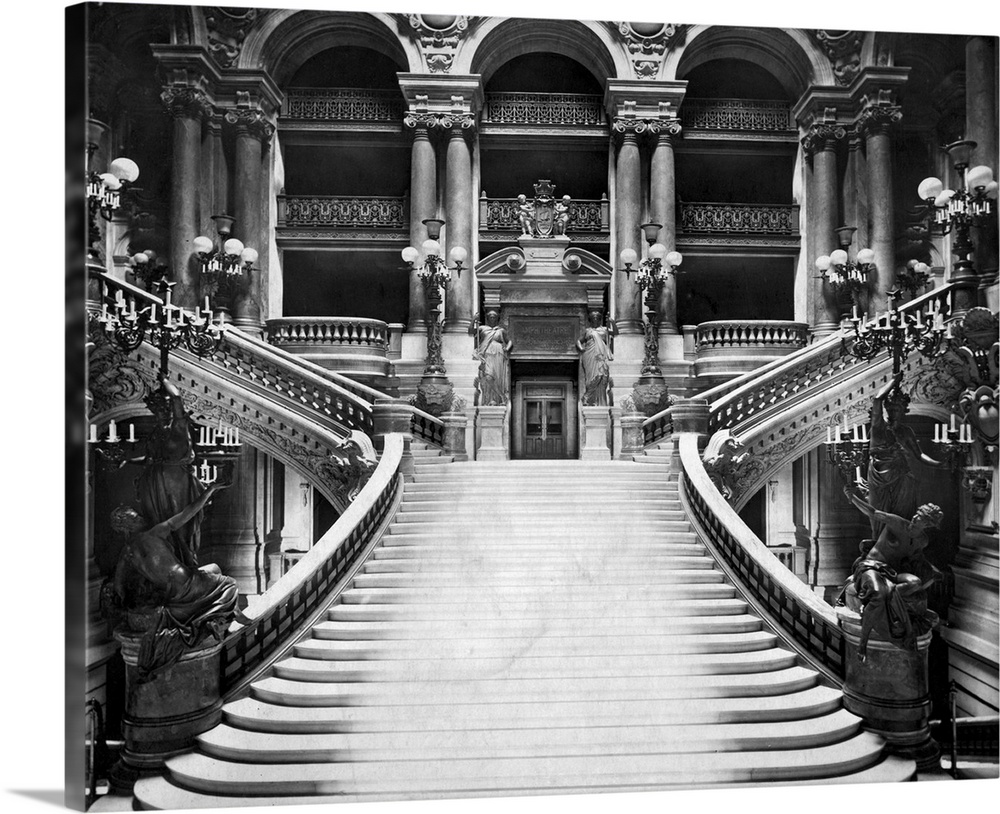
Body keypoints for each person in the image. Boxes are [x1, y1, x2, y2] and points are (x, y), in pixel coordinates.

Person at [103, 481, 240, 681]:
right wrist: (209, 490)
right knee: (229, 583)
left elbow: (119, 585)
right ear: (126, 525)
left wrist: (128, 606)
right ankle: (214, 620)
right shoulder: (155, 532)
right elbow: (187, 513)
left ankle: (210, 617)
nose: (140, 517)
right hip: (188, 585)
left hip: (173, 594)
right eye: (135, 517)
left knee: (213, 570)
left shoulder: (128, 553)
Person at [842, 485, 943, 660]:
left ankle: (890, 595)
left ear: (927, 524)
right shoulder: (898, 523)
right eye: (916, 513)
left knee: (915, 583)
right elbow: (873, 512)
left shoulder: (922, 540)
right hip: (871, 566)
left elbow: (916, 560)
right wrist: (853, 498)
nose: (914, 517)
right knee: (878, 594)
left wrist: (933, 572)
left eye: (919, 517)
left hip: (892, 572)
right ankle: (862, 645)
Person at [133, 374, 206, 568]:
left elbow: (177, 399)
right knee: (157, 525)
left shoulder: (179, 427)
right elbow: (151, 459)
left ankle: (184, 567)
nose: (161, 414)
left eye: (165, 410)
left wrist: (165, 381)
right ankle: (162, 568)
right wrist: (126, 461)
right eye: (156, 411)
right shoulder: (157, 433)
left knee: (179, 527)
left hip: (177, 484)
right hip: (154, 484)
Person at [866, 371, 944, 540]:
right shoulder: (878, 426)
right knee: (878, 516)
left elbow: (920, 455)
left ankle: (901, 549)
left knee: (902, 517)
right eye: (891, 409)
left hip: (902, 477)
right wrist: (893, 381)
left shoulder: (906, 431)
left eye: (898, 410)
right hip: (879, 477)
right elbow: (878, 399)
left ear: (904, 411)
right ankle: (880, 548)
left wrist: (938, 463)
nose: (894, 413)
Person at [474, 311, 513, 406]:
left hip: (498, 354)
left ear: (497, 319)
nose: (492, 319)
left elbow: (509, 341)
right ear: (487, 318)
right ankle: (495, 397)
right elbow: (471, 332)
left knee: (497, 376)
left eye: (494, 317)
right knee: (488, 376)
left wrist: (506, 348)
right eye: (490, 317)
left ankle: (496, 400)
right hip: (486, 353)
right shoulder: (482, 328)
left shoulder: (501, 330)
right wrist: (473, 320)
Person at [577, 311, 614, 406]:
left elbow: (615, 332)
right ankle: (588, 397)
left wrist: (612, 322)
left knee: (602, 375)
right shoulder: (588, 331)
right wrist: (581, 348)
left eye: (597, 318)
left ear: (600, 320)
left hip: (600, 356)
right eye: (593, 319)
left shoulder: (605, 330)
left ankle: (590, 398)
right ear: (590, 320)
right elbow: (579, 341)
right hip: (589, 355)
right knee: (591, 378)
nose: (595, 320)